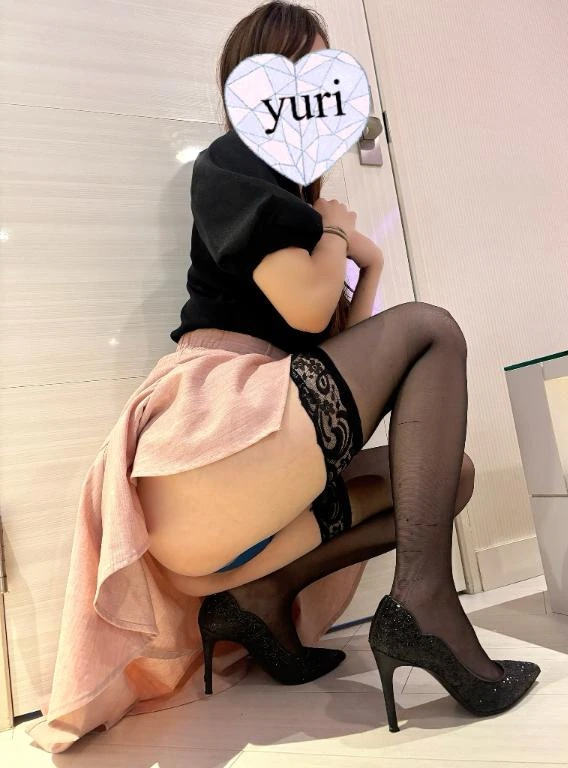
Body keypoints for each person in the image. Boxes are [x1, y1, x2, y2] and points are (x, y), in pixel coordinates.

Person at [136, 1, 540, 732]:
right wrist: (334, 232)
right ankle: (425, 603)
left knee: (448, 478)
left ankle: (261, 595)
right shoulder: (232, 162)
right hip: (211, 436)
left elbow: (336, 349)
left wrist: (369, 260)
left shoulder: (298, 203)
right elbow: (305, 307)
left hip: (265, 434)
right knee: (432, 329)